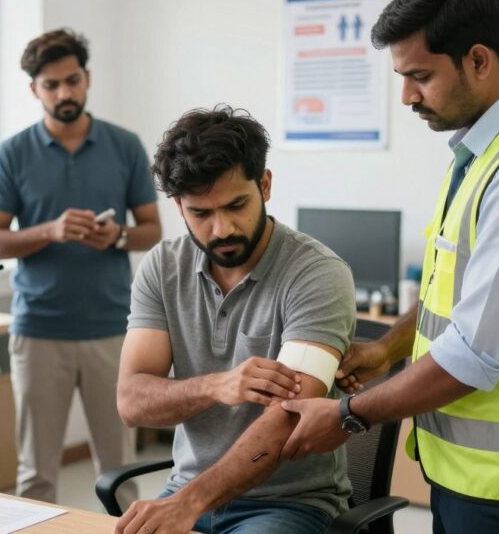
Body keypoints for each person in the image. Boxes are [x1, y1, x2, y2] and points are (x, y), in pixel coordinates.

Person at [280, 0, 499, 534]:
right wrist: (387, 349)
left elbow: (473, 355)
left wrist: (347, 416)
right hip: (479, 475)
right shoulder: (485, 152)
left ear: (479, 61)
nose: (408, 96)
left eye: (420, 76)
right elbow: (455, 294)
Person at [114, 105, 355, 534]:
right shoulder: (162, 267)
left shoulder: (317, 273)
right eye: (201, 214)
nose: (222, 229)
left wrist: (188, 504)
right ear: (177, 206)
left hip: (287, 505)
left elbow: (289, 419)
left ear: (264, 185)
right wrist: (216, 385)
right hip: (185, 491)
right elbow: (132, 401)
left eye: (236, 205)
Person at [0, 28, 161, 503]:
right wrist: (50, 230)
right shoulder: (12, 153)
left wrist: (116, 235)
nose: (64, 92)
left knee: (120, 469)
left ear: (87, 79)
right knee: (36, 474)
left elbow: (151, 229)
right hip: (39, 330)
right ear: (34, 90)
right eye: (51, 84)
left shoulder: (124, 145)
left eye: (72, 80)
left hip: (112, 328)